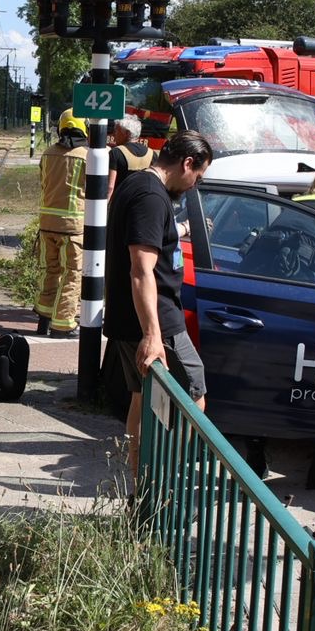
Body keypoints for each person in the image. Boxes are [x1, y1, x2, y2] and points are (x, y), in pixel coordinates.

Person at [103, 132, 213, 456]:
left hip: (129, 317)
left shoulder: (136, 186)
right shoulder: (151, 196)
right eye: (198, 176)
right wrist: (152, 335)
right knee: (194, 398)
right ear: (187, 163)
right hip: (156, 320)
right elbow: (141, 270)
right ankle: (164, 480)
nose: (195, 185)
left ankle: (141, 490)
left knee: (142, 396)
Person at [33, 108, 85, 338]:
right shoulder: (88, 156)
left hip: (47, 224)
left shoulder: (47, 154)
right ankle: (63, 325)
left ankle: (43, 320)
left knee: (49, 272)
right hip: (73, 227)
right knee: (71, 274)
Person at [106, 116, 153, 199]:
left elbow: (110, 187)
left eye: (116, 130)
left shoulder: (116, 152)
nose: (113, 134)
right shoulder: (151, 153)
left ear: (127, 133)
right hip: (143, 201)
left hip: (121, 202)